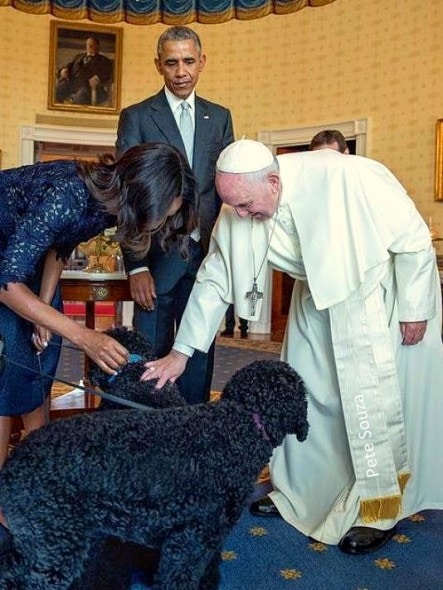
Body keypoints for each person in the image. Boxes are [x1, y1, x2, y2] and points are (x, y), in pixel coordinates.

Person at [140, 139, 443, 554]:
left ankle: (378, 508)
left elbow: (412, 241)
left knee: (366, 405)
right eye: (235, 207)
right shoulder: (239, 203)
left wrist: (413, 308)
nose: (241, 216)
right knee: (310, 398)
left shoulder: (351, 177)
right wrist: (182, 352)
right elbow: (215, 278)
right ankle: (299, 494)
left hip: (377, 301)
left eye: (246, 205)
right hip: (315, 303)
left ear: (274, 181)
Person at [0, 142, 197, 468]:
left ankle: (34, 469)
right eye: (163, 213)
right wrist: (85, 336)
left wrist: (45, 309)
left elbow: (60, 245)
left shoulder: (104, 206)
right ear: (143, 194)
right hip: (8, 272)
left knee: (38, 364)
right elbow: (7, 285)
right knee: (6, 379)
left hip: (24, 265)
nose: (162, 223)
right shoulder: (69, 193)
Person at [116, 25, 234, 404]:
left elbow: (227, 189)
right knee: (149, 353)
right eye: (171, 63)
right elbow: (128, 194)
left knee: (198, 351)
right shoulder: (136, 116)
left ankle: (192, 430)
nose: (180, 71)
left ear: (202, 62)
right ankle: (149, 433)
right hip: (156, 258)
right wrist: (136, 265)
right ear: (158, 66)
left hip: (207, 259)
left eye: (188, 61)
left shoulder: (220, 117)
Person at [56, 36, 113, 106]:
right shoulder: (79, 56)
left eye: (92, 45)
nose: (90, 47)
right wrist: (64, 70)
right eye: (88, 45)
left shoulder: (104, 60)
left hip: (88, 87)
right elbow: (69, 66)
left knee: (80, 96)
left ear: (98, 47)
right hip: (73, 84)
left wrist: (97, 78)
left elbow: (107, 74)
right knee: (59, 88)